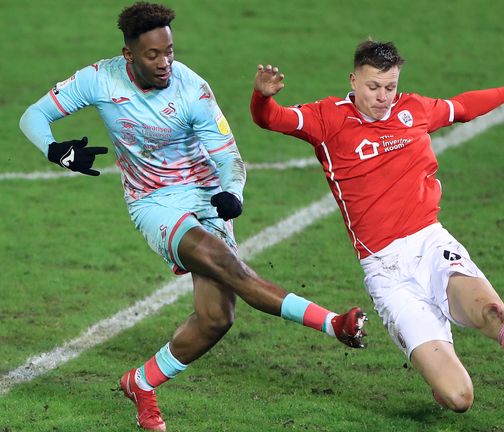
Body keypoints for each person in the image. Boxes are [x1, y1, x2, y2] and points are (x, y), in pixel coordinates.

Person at [19, 3, 367, 431]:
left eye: (170, 51)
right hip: (154, 203)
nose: (165, 62)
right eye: (153, 55)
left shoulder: (192, 88)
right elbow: (33, 115)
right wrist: (56, 150)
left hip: (206, 194)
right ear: (128, 55)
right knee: (226, 264)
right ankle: (333, 324)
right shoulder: (98, 78)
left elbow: (228, 156)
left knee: (216, 318)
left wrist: (231, 194)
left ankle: (141, 383)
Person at [250, 40, 504, 412]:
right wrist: (262, 96)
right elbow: (271, 119)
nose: (383, 97)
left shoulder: (413, 109)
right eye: (373, 87)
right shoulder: (327, 118)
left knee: (492, 312)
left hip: (432, 244)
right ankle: (439, 369)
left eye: (390, 87)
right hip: (387, 272)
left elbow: (462, 108)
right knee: (458, 398)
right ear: (353, 80)